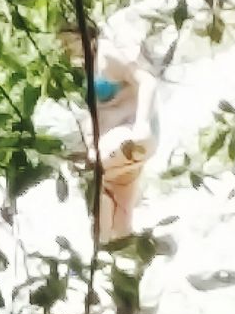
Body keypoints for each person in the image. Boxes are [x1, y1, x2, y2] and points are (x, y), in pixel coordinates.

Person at [57, 23, 160, 248]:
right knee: (120, 202)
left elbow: (148, 81)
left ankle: (102, 248)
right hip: (113, 139)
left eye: (68, 42)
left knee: (97, 178)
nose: (65, 48)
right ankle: (119, 254)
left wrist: (141, 124)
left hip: (130, 134)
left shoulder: (108, 54)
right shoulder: (83, 66)